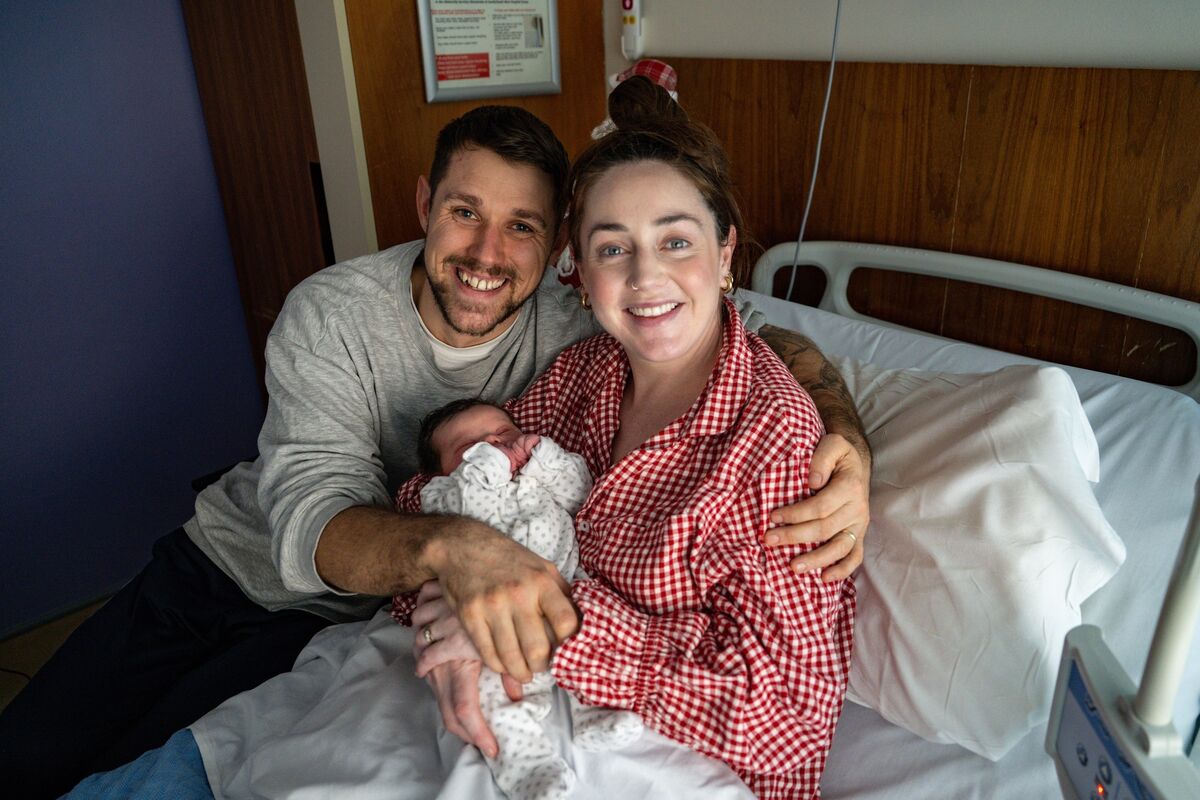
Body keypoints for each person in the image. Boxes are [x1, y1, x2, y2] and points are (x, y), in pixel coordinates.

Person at [7, 100, 868, 798]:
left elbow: (737, 332)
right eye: (465, 213)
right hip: (236, 562)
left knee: (179, 758)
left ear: (555, 250)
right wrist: (462, 562)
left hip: (344, 614)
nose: (489, 255)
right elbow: (320, 519)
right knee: (32, 753)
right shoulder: (346, 315)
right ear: (425, 205)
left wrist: (843, 430)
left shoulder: (590, 330)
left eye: (524, 226)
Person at [398, 398, 642, 800]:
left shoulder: (538, 478)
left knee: (596, 632)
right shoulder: (444, 495)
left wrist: (542, 457)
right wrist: (490, 462)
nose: (494, 443)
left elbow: (582, 493)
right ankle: (523, 764)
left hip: (564, 583)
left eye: (504, 434)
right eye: (471, 447)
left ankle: (595, 707)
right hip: (486, 601)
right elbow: (472, 507)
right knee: (492, 684)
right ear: (440, 472)